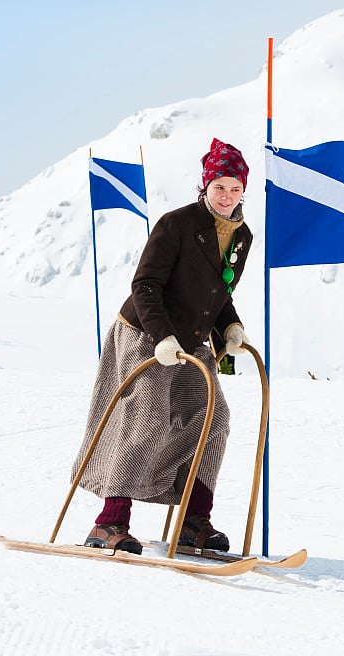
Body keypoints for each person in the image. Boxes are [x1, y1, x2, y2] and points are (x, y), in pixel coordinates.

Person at [71, 137, 252, 555]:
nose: (226, 196)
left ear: (244, 191)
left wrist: (231, 326)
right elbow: (145, 285)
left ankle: (194, 521)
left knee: (214, 418)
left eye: (235, 188)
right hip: (146, 334)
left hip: (190, 343)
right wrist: (161, 337)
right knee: (145, 418)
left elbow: (219, 292)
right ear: (205, 186)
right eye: (219, 186)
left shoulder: (242, 236)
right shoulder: (177, 224)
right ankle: (109, 523)